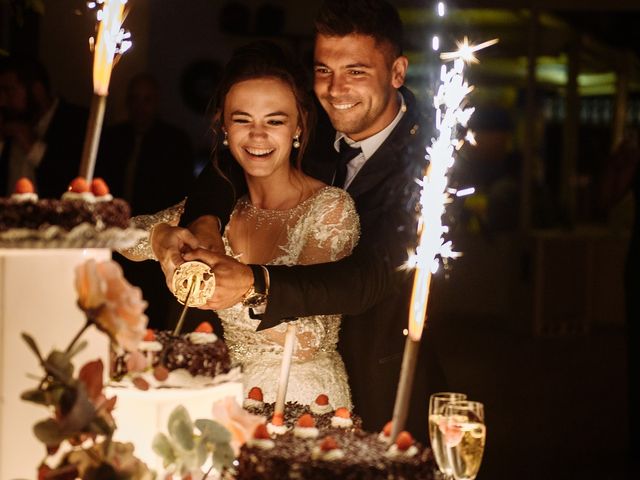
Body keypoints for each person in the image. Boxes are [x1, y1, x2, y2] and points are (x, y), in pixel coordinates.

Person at [151, 0, 446, 441]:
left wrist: (256, 283)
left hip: (376, 380)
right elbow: (232, 164)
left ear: (397, 72)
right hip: (269, 383)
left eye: (356, 71)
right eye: (324, 70)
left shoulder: (432, 164)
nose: (335, 88)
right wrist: (204, 221)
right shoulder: (311, 122)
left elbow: (370, 276)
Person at [141, 41, 360, 406]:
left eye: (274, 121)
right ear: (224, 128)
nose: (258, 135)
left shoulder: (329, 208)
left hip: (308, 404)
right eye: (243, 120)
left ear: (298, 128)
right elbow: (121, 235)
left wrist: (243, 287)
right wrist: (160, 237)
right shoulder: (222, 213)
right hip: (227, 401)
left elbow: (311, 337)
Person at [97, 73, 195, 329]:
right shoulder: (112, 138)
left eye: (147, 100)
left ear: (157, 102)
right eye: (135, 99)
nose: (140, 106)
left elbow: (182, 194)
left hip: (154, 244)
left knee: (150, 319)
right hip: (113, 240)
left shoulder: (175, 142)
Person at [0, 56, 87, 196]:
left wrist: (33, 146)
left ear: (37, 90)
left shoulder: (76, 121)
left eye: (9, 91)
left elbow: (75, 180)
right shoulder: (8, 120)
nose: (2, 101)